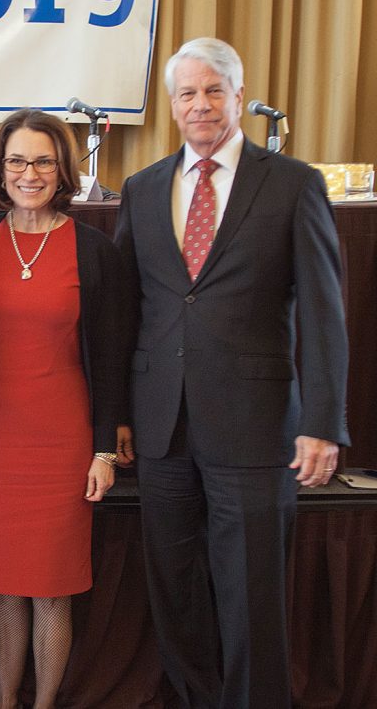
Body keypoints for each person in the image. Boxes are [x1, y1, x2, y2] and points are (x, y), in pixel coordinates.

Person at [115, 37, 350, 708]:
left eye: (214, 90)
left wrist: (322, 425)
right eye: (187, 93)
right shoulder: (143, 188)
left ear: (239, 98)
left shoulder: (293, 183)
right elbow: (127, 310)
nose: (200, 105)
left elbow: (326, 314)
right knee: (175, 592)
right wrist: (119, 420)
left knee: (251, 594)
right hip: (161, 430)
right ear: (171, 105)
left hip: (255, 428)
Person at [0, 109, 126, 709]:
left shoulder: (94, 250)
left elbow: (113, 357)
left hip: (64, 443)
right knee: (2, 587)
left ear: (63, 169)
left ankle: (42, 705)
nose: (30, 172)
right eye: (17, 160)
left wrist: (103, 449)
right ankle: (3, 701)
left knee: (51, 589)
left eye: (44, 160)